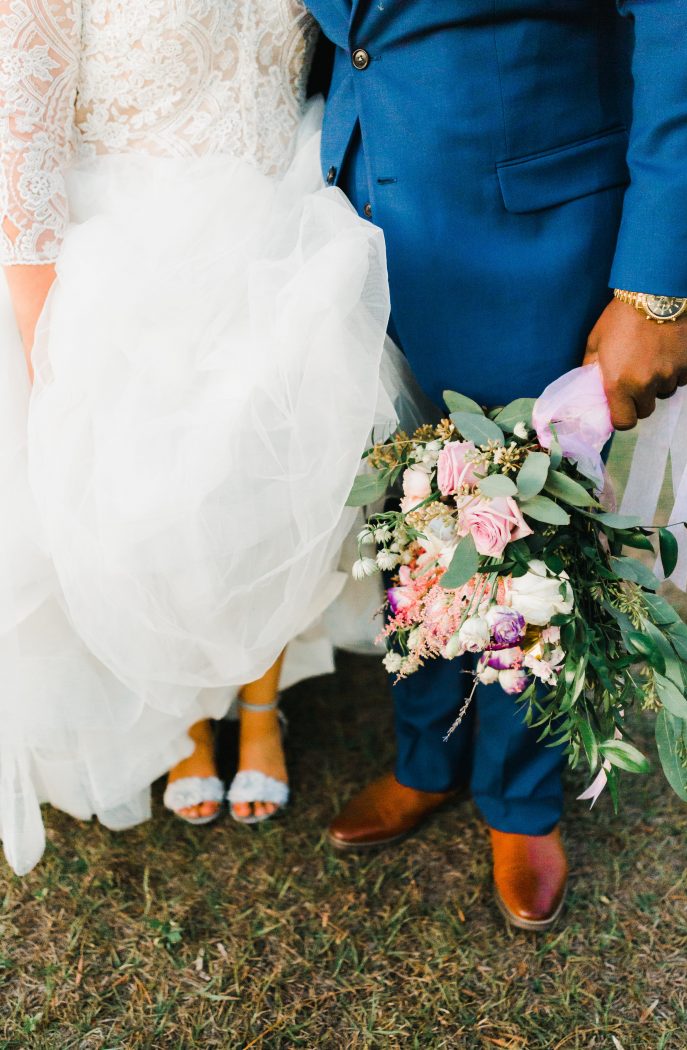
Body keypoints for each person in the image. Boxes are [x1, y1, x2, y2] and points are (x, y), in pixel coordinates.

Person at [306, 1, 687, 929]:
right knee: (406, 501)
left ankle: (520, 798)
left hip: (531, 215)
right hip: (347, 213)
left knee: (530, 520)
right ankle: (425, 755)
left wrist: (663, 284)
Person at [0, 0, 395, 872]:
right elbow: (21, 140)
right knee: (156, 505)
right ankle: (183, 718)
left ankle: (258, 706)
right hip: (127, 257)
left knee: (284, 472)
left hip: (288, 220)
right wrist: (44, 343)